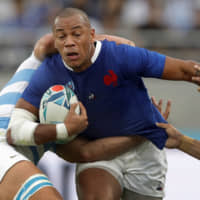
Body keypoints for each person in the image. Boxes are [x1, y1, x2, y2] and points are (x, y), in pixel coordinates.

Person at [6, 7, 200, 200]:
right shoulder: (48, 75)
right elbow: (15, 132)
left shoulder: (121, 56)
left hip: (144, 152)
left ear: (92, 36)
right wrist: (64, 129)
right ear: (54, 42)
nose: (69, 43)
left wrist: (196, 75)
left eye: (76, 34)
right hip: (100, 154)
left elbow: (184, 70)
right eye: (62, 37)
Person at [0, 30, 148, 199]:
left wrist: (141, 134)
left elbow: (85, 152)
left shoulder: (72, 114)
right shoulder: (43, 63)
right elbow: (47, 42)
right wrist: (119, 44)